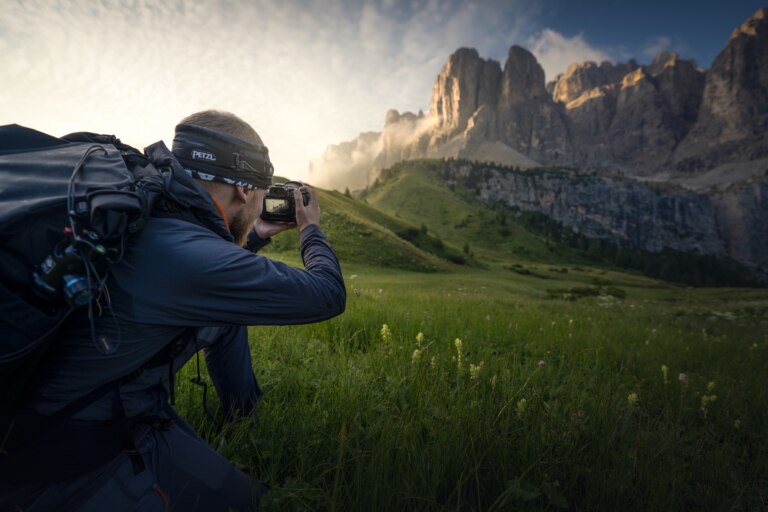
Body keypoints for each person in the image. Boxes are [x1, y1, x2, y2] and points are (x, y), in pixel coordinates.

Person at [0, 110, 346, 511]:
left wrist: (257, 235)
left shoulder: (146, 205)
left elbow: (197, 275)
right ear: (243, 190)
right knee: (262, 506)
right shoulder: (185, 253)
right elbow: (327, 294)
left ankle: (245, 417)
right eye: (259, 194)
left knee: (223, 321)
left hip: (99, 412)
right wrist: (311, 229)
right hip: (61, 467)